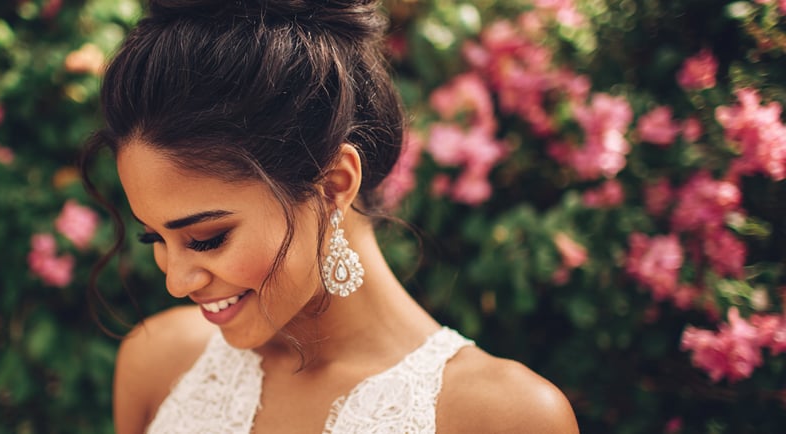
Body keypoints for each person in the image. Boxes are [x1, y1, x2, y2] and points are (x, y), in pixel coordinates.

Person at [81, 0, 580, 432]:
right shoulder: (160, 364)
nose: (176, 281)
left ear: (334, 184)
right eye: (154, 239)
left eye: (207, 238)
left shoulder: (503, 418)